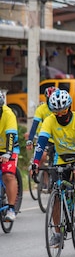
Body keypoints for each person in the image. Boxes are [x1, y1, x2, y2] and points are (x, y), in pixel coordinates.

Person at [31, 90, 75, 234]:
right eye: (56, 111)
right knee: (57, 193)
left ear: (69, 107)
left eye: (63, 111)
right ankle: (57, 234)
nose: (60, 115)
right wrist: (35, 162)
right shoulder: (49, 121)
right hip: (62, 156)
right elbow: (41, 143)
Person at [0, 92, 19, 222]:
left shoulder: (8, 114)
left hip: (9, 148)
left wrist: (7, 153)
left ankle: (11, 208)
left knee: (8, 175)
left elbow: (11, 135)